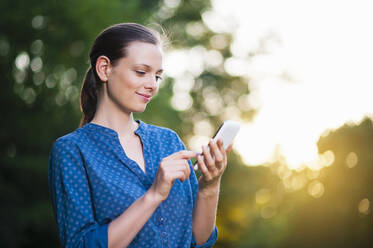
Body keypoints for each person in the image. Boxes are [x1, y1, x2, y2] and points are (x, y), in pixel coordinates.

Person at [48, 23, 232, 248]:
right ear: (104, 68)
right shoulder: (72, 151)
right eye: (141, 72)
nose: (152, 85)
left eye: (157, 76)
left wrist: (209, 186)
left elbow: (199, 240)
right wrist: (153, 195)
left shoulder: (168, 141)